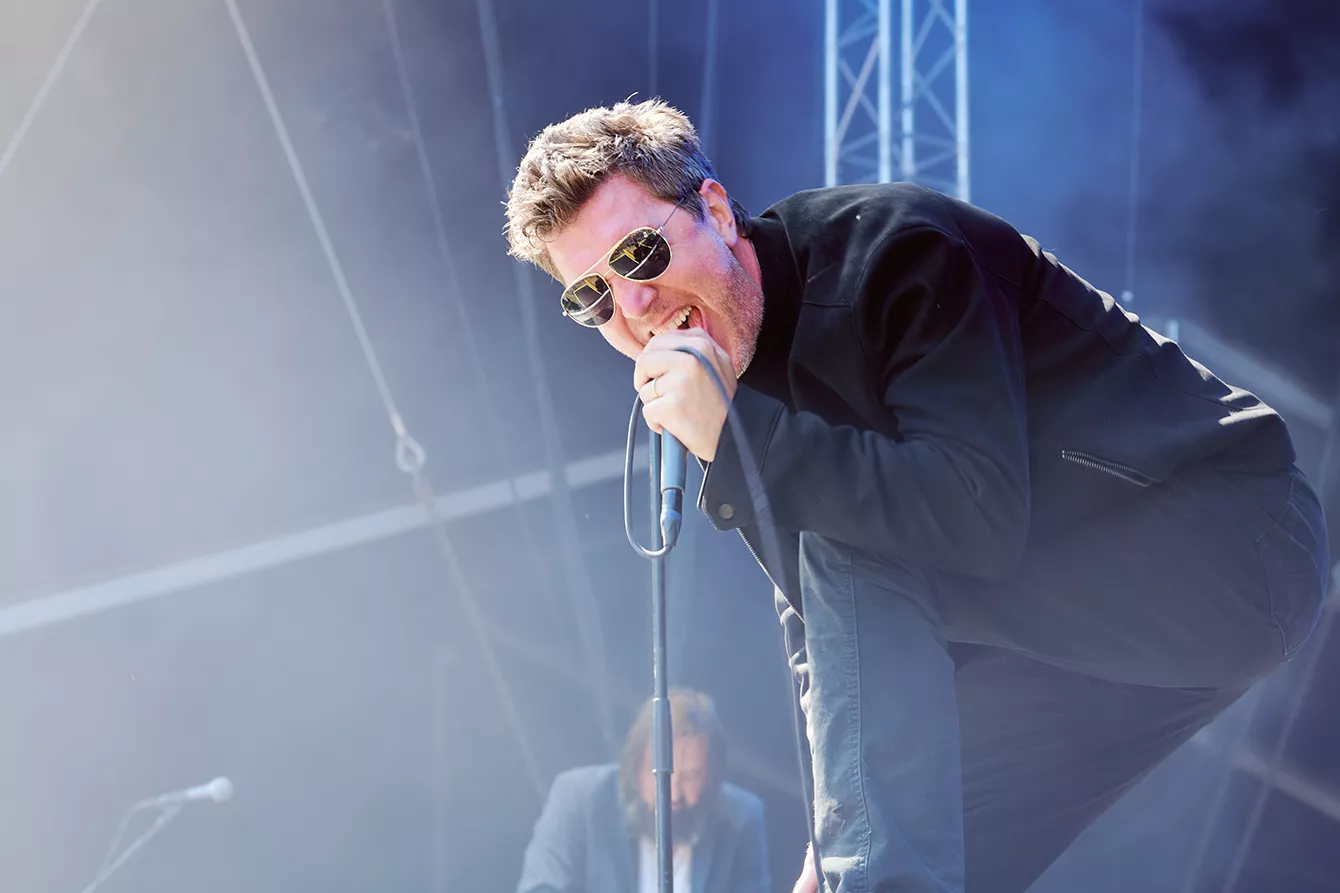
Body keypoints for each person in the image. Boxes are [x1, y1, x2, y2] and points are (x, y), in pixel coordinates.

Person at [502, 99, 1332, 893]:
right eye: (592, 297)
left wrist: (736, 434)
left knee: (845, 525)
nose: (634, 306)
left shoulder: (894, 250)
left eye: (638, 255)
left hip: (1232, 533)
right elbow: (817, 623)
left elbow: (973, 512)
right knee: (917, 856)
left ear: (715, 212)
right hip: (1087, 642)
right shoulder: (741, 391)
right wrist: (837, 831)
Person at [516, 688, 771, 893]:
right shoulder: (579, 797)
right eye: (658, 773)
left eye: (691, 776)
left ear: (712, 774)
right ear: (634, 761)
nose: (672, 794)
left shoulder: (742, 817)